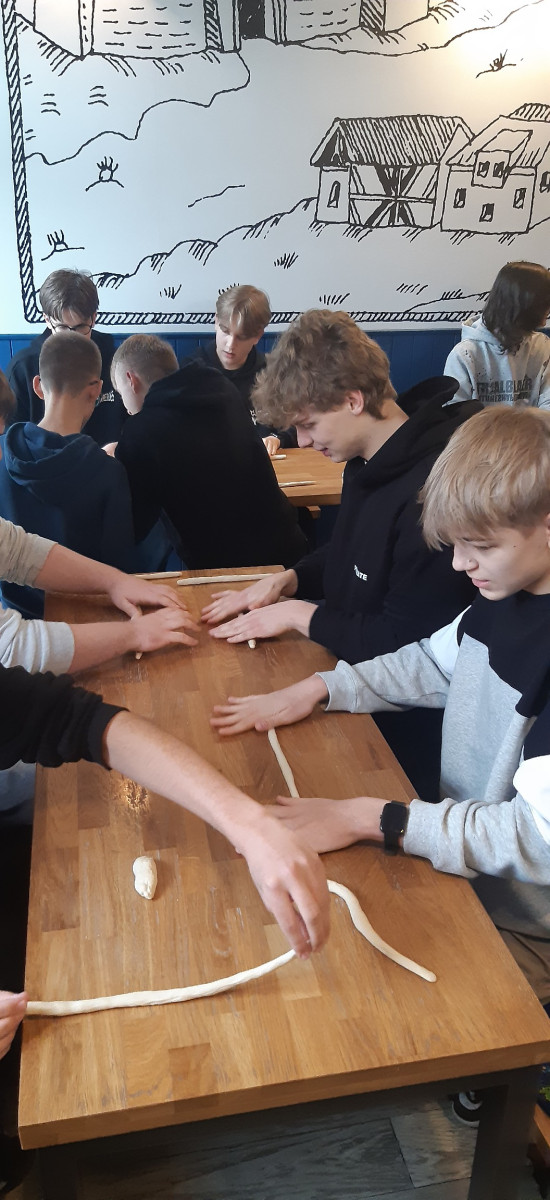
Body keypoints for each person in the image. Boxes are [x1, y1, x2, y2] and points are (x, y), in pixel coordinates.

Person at [210, 404, 550, 1120]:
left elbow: (537, 840)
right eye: (454, 545)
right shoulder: (503, 594)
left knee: (373, 1027)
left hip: (528, 919)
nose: (458, 565)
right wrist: (320, 688)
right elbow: (431, 662)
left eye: (479, 547)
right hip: (470, 870)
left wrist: (378, 819)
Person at [203, 309, 479, 798]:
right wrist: (290, 580)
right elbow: (354, 549)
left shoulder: (432, 491)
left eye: (308, 424)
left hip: (404, 733)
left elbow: (404, 644)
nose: (304, 441)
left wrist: (298, 615)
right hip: (347, 680)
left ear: (354, 400)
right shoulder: (366, 458)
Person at [112, 334, 308, 570]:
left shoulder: (140, 432)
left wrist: (116, 461)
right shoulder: (219, 386)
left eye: (121, 394)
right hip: (289, 547)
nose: (125, 407)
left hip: (227, 571)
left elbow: (133, 525)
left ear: (131, 380)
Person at [0, 335, 149, 618]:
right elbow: (121, 569)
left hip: (15, 623)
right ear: (96, 390)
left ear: (38, 387)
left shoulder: (3, 456)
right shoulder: (109, 473)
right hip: (85, 624)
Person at [6, 269, 126, 445]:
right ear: (47, 320)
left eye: (80, 327)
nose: (72, 338)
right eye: (62, 328)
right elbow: (11, 441)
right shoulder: (23, 368)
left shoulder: (114, 360)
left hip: (103, 459)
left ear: (93, 318)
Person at [193, 285, 297, 455]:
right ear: (216, 322)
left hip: (264, 463)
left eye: (241, 337)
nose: (230, 345)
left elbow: (295, 423)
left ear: (258, 336)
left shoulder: (271, 372)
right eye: (225, 331)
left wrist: (277, 439)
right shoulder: (192, 371)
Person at [444, 260, 550, 408]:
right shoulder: (465, 354)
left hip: (533, 424)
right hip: (480, 425)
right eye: (543, 305)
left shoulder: (542, 346)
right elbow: (455, 413)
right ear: (523, 306)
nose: (546, 316)